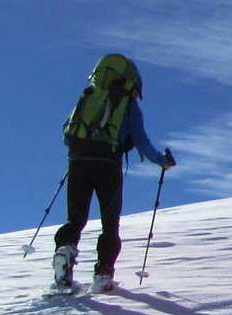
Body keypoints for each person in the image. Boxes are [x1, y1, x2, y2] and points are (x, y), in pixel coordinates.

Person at [53, 54, 175, 293]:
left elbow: (67, 128)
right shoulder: (129, 107)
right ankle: (103, 275)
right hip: (108, 164)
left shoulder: (89, 95)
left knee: (75, 219)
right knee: (110, 222)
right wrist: (162, 161)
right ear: (133, 85)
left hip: (77, 161)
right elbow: (141, 141)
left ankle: (65, 253)